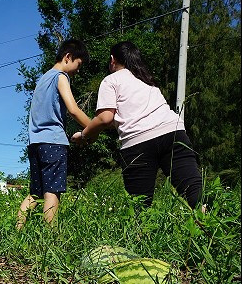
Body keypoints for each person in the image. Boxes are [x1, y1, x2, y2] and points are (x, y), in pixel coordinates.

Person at [71, 41, 203, 210]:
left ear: (112, 60)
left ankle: (142, 235)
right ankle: (216, 229)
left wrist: (84, 135)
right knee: (194, 191)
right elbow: (119, 119)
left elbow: (104, 118)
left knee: (140, 206)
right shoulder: (145, 78)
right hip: (173, 132)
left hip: (138, 144)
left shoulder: (111, 80)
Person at [16, 39, 91, 228]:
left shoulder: (42, 80)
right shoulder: (60, 77)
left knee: (35, 193)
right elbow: (73, 109)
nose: (78, 70)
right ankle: (50, 240)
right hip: (53, 142)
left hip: (35, 143)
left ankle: (16, 231)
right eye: (78, 65)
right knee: (52, 192)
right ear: (68, 57)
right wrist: (93, 127)